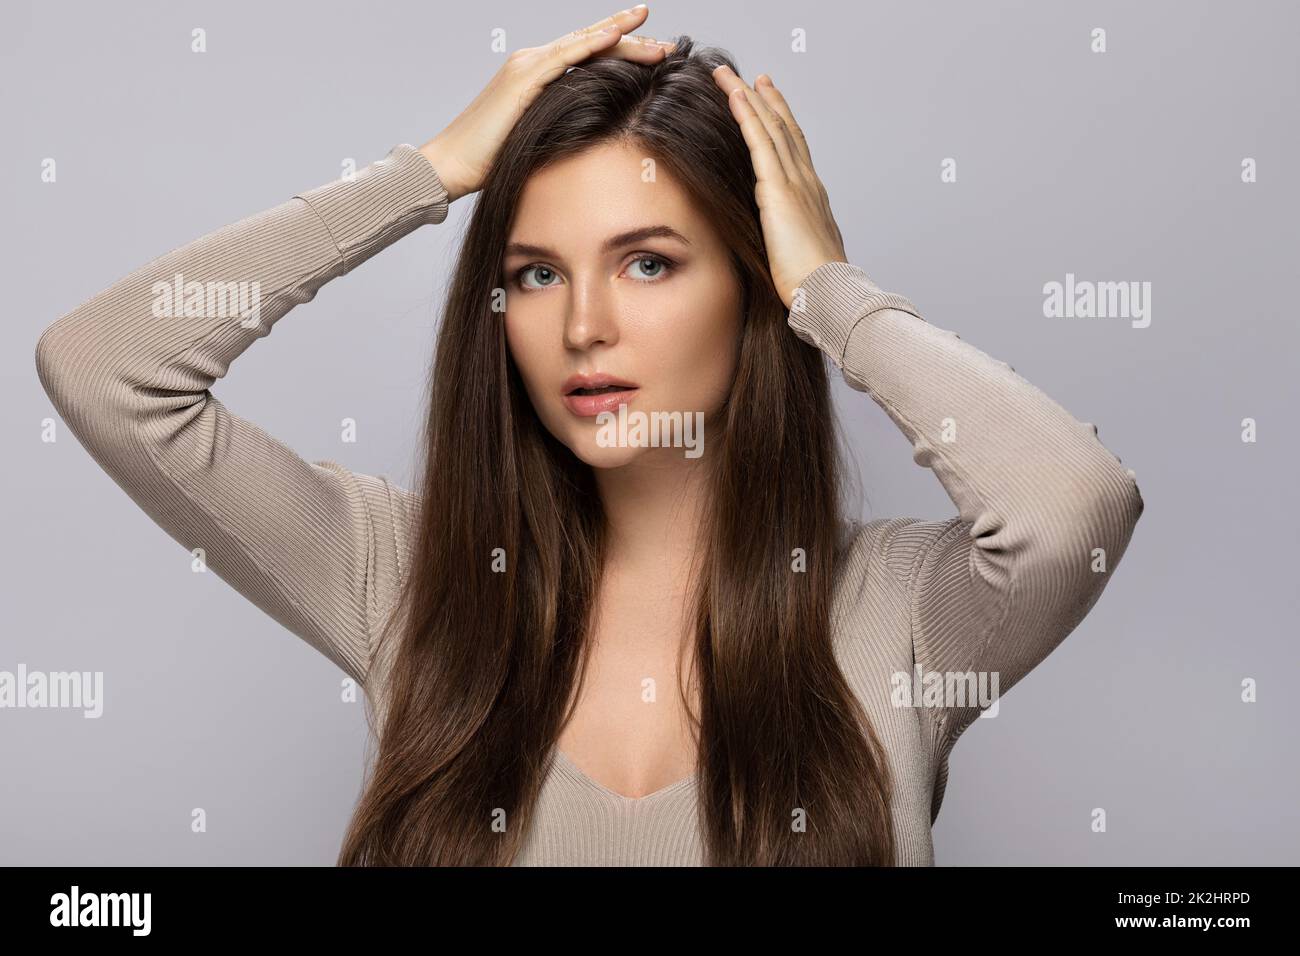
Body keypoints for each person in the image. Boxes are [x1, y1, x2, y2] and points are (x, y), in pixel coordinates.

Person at [33, 4, 1144, 866]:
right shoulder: (404, 579)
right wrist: (426, 175)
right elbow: (105, 367)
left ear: (750, 287)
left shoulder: (902, 612)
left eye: (648, 261)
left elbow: (1072, 507)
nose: (582, 325)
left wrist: (829, 293)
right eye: (534, 272)